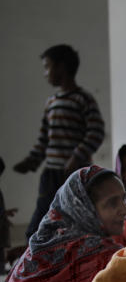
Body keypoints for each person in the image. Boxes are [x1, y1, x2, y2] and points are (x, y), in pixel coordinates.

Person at [13, 44, 105, 238]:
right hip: (52, 172)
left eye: (48, 67)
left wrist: (76, 157)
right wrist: (32, 161)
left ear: (62, 67)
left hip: (75, 173)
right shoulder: (51, 102)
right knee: (44, 212)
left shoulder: (82, 99)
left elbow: (96, 132)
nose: (46, 73)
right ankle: (35, 249)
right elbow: (44, 138)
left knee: (77, 214)